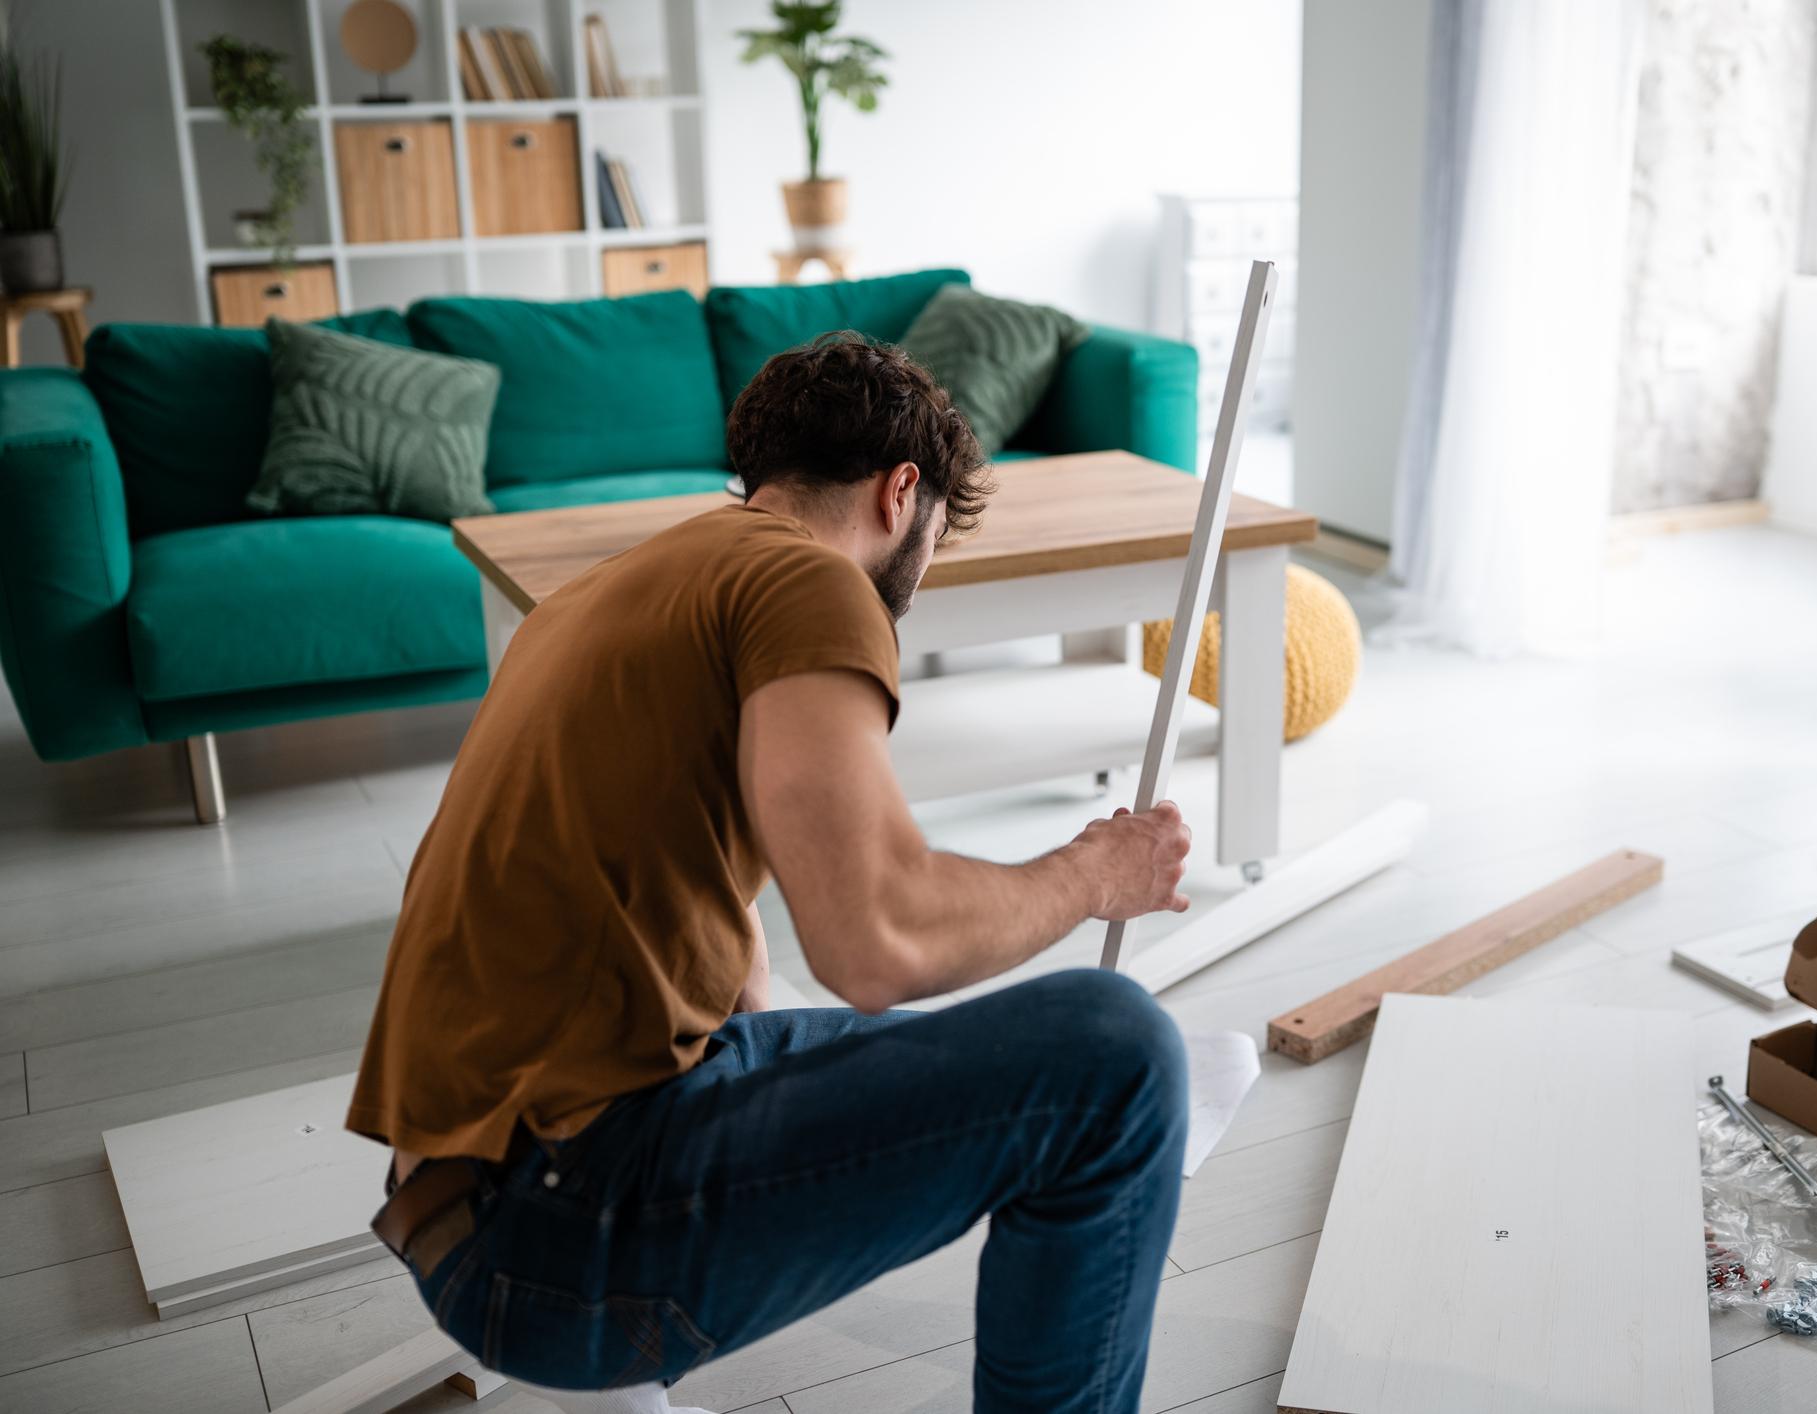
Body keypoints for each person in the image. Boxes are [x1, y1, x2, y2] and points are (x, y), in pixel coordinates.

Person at [348, 333, 1196, 1414]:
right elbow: (873, 943)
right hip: (557, 1241)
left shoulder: (617, 590)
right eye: (934, 537)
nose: (921, 576)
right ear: (902, 493)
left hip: (461, 1195)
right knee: (1115, 1051)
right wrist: (1092, 870)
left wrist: (902, 1094)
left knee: (922, 1057)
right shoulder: (811, 581)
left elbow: (711, 895)